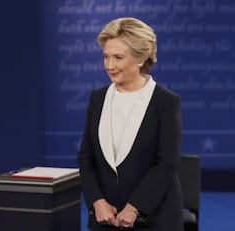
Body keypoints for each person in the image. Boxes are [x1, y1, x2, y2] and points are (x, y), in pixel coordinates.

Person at [77, 17, 183, 231]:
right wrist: (97, 201)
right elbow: (86, 157)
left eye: (118, 57)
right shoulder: (97, 98)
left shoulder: (166, 102)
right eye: (106, 57)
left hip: (153, 219)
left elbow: (166, 163)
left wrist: (135, 208)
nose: (109, 65)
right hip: (105, 219)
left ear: (141, 59)